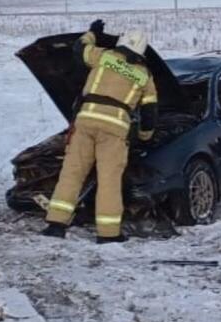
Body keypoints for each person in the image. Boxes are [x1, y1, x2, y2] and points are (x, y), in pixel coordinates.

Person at [41, 19, 158, 243]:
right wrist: (145, 136)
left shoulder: (104, 57)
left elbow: (79, 48)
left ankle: (56, 225)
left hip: (86, 123)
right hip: (114, 130)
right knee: (109, 180)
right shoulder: (144, 76)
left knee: (72, 173)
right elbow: (150, 112)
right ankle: (108, 234)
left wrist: (93, 32)